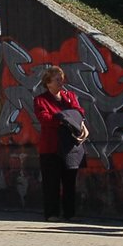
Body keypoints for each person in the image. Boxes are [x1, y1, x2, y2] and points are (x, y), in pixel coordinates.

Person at [33, 65, 86, 221]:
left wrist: (67, 119)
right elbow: (45, 119)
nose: (61, 82)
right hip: (51, 147)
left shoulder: (70, 96)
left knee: (70, 181)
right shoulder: (41, 100)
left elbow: (79, 112)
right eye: (57, 80)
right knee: (52, 182)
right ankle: (52, 213)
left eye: (62, 79)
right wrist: (65, 119)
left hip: (70, 146)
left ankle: (70, 213)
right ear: (48, 82)